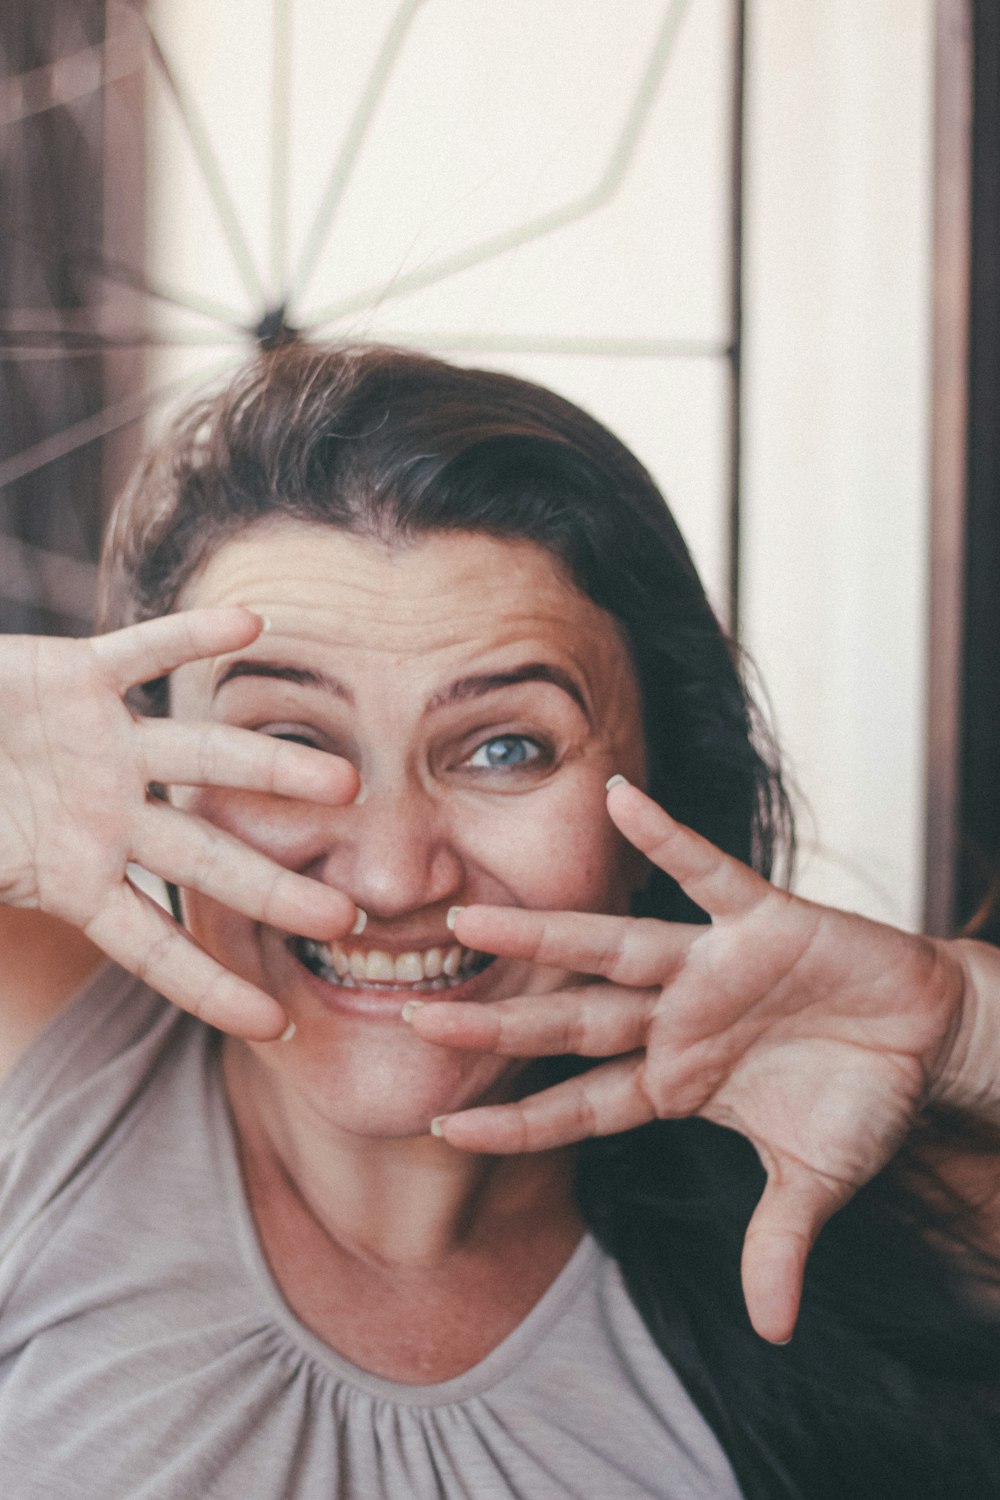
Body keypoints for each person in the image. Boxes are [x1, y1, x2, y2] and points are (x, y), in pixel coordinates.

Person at [0, 340, 998, 1499]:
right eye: (284, 747)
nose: (387, 873)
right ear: (152, 778)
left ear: (655, 799)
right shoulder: (38, 1045)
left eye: (504, 748)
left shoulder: (857, 1199)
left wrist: (970, 1021)